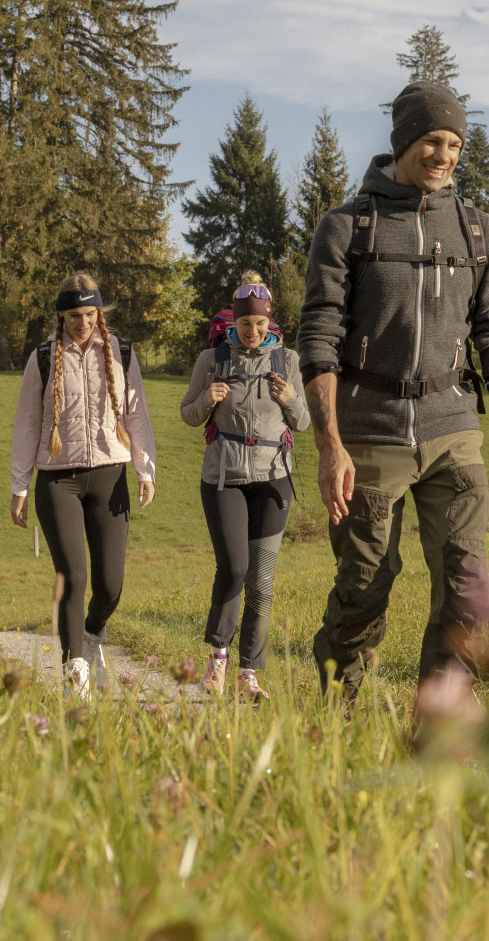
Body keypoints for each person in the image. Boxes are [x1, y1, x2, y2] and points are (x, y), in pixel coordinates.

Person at [299, 80, 489, 703]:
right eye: (432, 140)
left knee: (468, 588)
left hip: (453, 430)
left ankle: (439, 730)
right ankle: (334, 706)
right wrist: (330, 447)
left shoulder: (481, 234)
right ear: (404, 142)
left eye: (454, 143)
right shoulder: (347, 227)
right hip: (369, 433)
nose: (444, 154)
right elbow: (318, 339)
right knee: (365, 584)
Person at [9, 273, 158, 698]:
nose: (82, 323)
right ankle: (75, 672)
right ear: (61, 315)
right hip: (57, 482)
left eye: (90, 314)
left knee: (110, 585)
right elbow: (27, 424)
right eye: (74, 315)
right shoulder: (43, 357)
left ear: (99, 313)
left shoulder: (120, 352)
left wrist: (145, 470)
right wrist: (19, 485)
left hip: (110, 477)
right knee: (73, 576)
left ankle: (92, 636)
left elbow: (137, 415)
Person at [179, 271, 310, 701]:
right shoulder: (211, 360)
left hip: (273, 481)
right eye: (244, 324)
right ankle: (217, 661)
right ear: (233, 322)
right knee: (234, 569)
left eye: (259, 325)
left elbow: (304, 422)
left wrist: (289, 398)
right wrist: (208, 399)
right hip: (224, 479)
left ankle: (249, 674)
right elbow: (189, 415)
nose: (252, 332)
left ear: (269, 323)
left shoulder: (286, 361)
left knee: (262, 581)